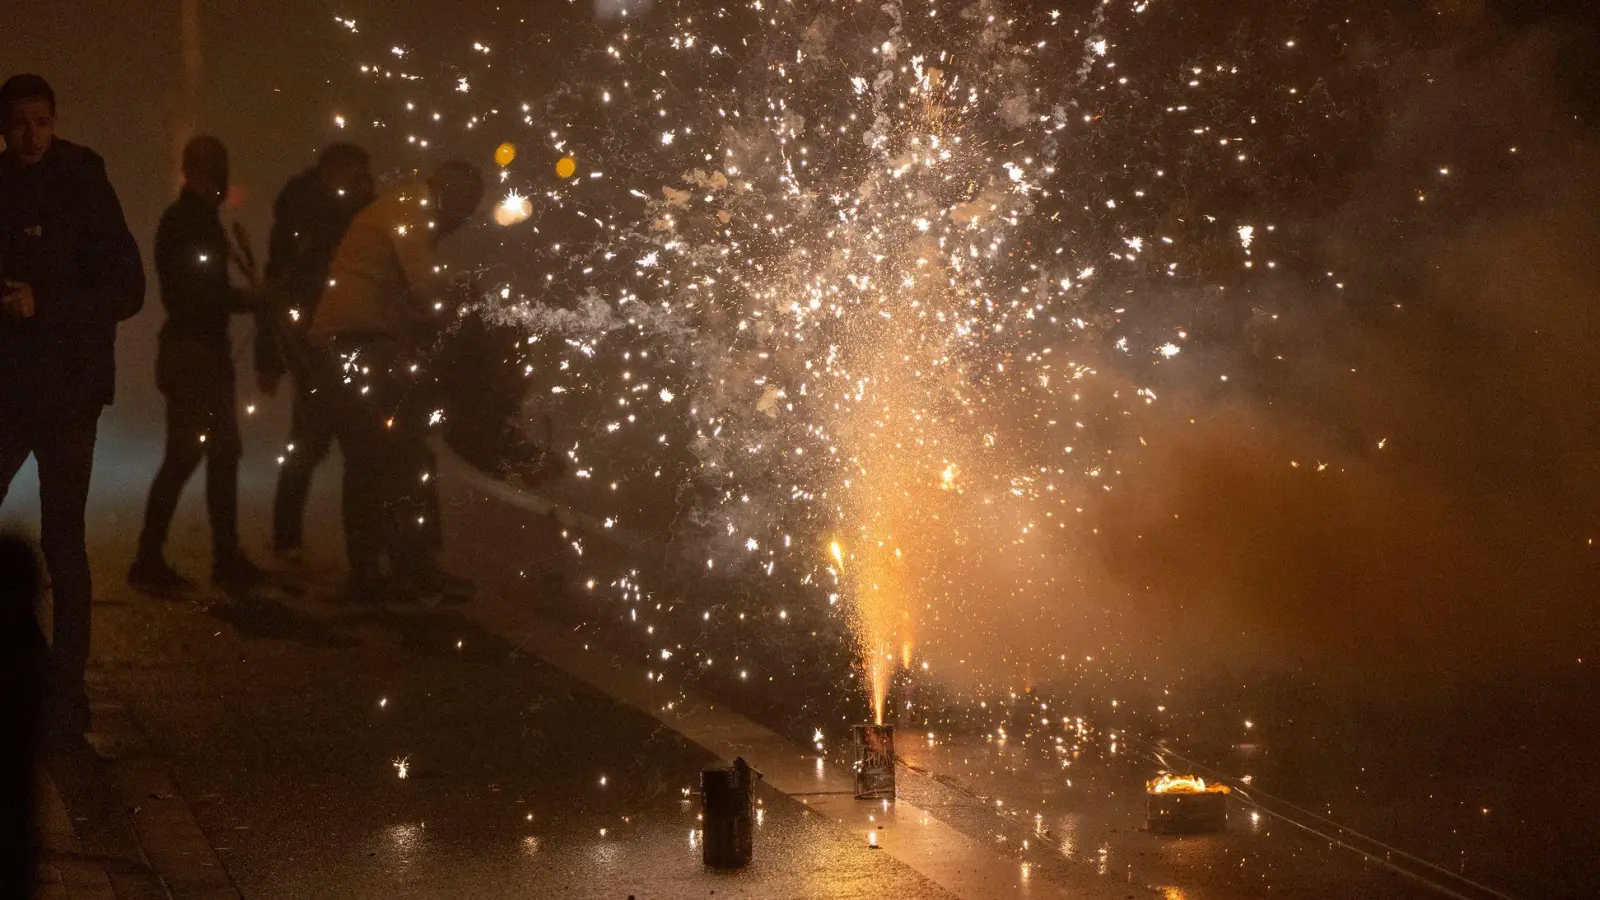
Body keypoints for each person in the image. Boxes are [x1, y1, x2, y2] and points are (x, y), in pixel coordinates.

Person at [0, 74, 145, 740]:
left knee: (64, 541)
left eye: (42, 120)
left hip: (65, 389)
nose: (31, 133)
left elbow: (126, 287)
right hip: (9, 387)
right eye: (20, 121)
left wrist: (45, 304)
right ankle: (36, 669)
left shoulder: (83, 183)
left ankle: (64, 694)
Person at [309, 161, 483, 604]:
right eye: (463, 211)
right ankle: (382, 570)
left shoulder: (406, 206)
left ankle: (402, 563)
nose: (459, 224)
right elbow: (424, 288)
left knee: (397, 453)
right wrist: (466, 308)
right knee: (379, 456)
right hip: (354, 343)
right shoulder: (413, 209)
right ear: (450, 194)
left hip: (363, 341)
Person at [129, 136, 266, 593]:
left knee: (214, 453)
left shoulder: (192, 219)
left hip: (195, 353)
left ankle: (218, 559)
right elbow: (196, 293)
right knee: (193, 454)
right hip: (195, 355)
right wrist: (247, 299)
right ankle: (153, 561)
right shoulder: (190, 221)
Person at [254, 143, 373, 561]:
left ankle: (364, 553)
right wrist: (268, 358)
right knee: (308, 440)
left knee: (352, 444)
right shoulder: (303, 212)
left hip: (354, 337)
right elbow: (276, 282)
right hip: (310, 339)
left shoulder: (360, 212)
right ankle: (287, 538)